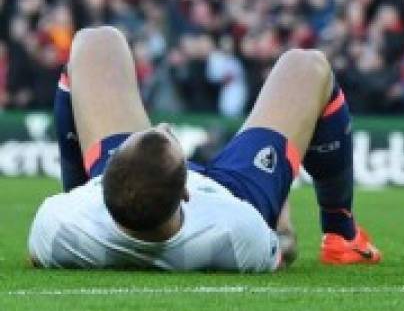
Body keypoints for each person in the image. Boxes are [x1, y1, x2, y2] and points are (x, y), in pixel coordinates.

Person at [27, 26, 381, 271]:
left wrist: (78, 199)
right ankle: (342, 235)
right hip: (236, 192)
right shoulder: (235, 231)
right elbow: (282, 248)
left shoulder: (60, 225)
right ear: (185, 190)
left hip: (116, 203)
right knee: (307, 65)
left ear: (104, 179)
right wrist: (281, 215)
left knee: (95, 41)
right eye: (168, 137)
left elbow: (40, 249)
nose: (162, 126)